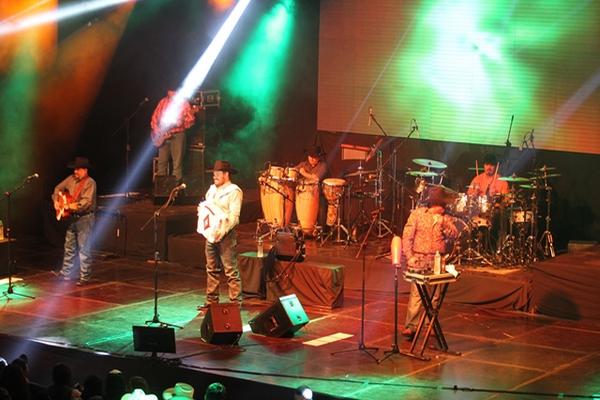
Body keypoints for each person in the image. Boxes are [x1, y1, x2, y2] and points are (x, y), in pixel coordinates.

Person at [401, 186, 459, 338]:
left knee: (435, 296)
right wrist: (409, 256)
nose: (443, 207)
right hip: (419, 258)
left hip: (437, 260)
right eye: (441, 204)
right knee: (416, 295)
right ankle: (411, 326)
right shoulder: (418, 214)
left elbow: (454, 235)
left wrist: (444, 223)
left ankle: (429, 324)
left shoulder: (446, 217)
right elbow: (407, 236)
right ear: (435, 203)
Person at [197, 160, 243, 310]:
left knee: (230, 270)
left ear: (226, 174)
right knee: (211, 268)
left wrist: (222, 231)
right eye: (214, 173)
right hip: (211, 235)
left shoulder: (234, 191)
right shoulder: (211, 190)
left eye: (218, 173)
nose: (214, 176)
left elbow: (235, 217)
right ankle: (211, 302)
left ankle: (235, 303)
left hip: (226, 236)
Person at [52, 157, 97, 285]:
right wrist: (56, 201)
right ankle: (66, 273)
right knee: (69, 247)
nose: (75, 171)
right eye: (75, 169)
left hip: (85, 218)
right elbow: (57, 188)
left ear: (85, 170)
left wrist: (68, 206)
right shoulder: (71, 179)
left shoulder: (90, 183)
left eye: (78, 169)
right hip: (72, 218)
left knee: (84, 248)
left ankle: (85, 276)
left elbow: (86, 203)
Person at [150, 89, 198, 182]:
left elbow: (190, 121)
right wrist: (159, 131)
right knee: (161, 163)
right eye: (169, 90)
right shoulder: (163, 102)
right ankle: (162, 187)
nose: (170, 93)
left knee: (177, 164)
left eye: (173, 91)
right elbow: (154, 118)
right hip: (162, 136)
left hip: (177, 135)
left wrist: (182, 122)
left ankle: (175, 187)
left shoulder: (183, 103)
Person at [294, 145, 329, 228]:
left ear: (319, 158)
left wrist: (303, 173)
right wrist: (294, 171)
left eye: (314, 157)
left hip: (318, 194)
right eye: (310, 156)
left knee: (321, 210)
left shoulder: (323, 166)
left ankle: (320, 229)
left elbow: (316, 178)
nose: (311, 159)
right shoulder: (304, 164)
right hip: (303, 194)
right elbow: (293, 170)